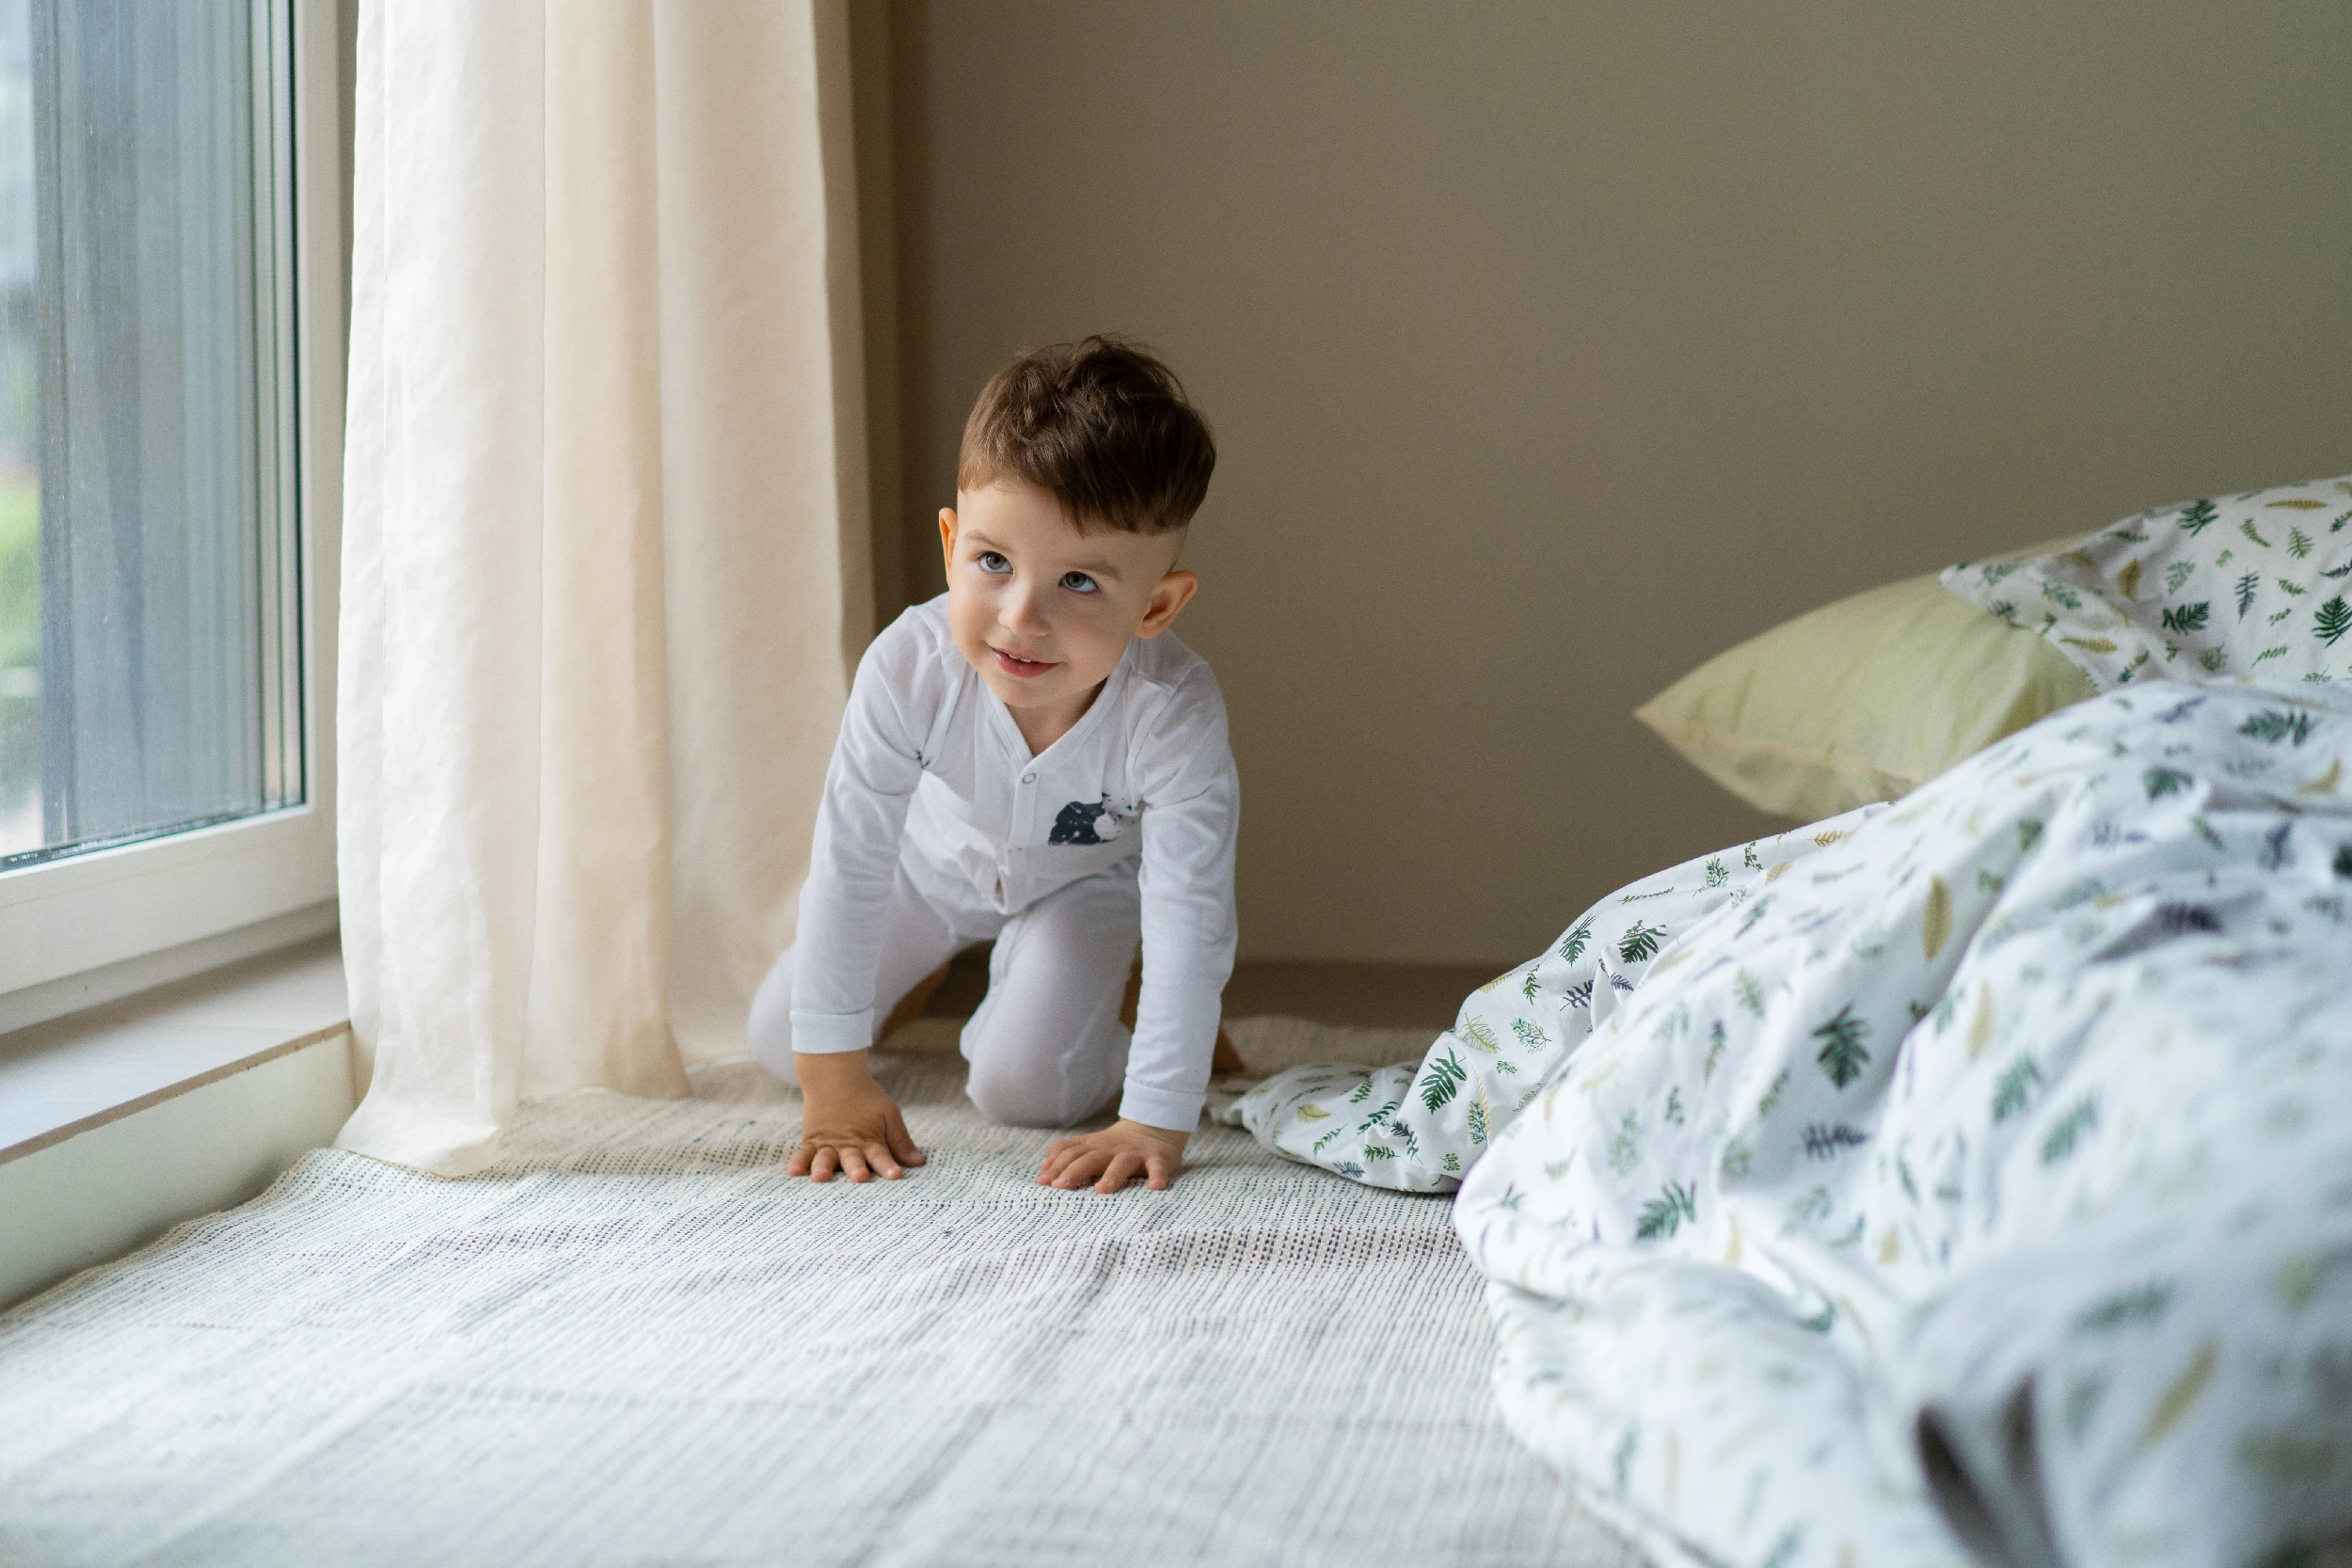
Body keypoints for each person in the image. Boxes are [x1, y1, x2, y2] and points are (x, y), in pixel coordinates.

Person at [748, 337, 1238, 1195]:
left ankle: (1104, 1006)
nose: (1021, 616)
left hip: (1086, 888)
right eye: (994, 562)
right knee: (779, 1040)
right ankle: (927, 969)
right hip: (932, 870)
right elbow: (852, 860)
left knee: (1025, 1088)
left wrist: (1158, 1110)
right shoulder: (908, 668)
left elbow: (1190, 917)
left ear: (1156, 604)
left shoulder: (1174, 715)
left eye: (1079, 581)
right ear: (951, 543)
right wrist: (835, 1082)